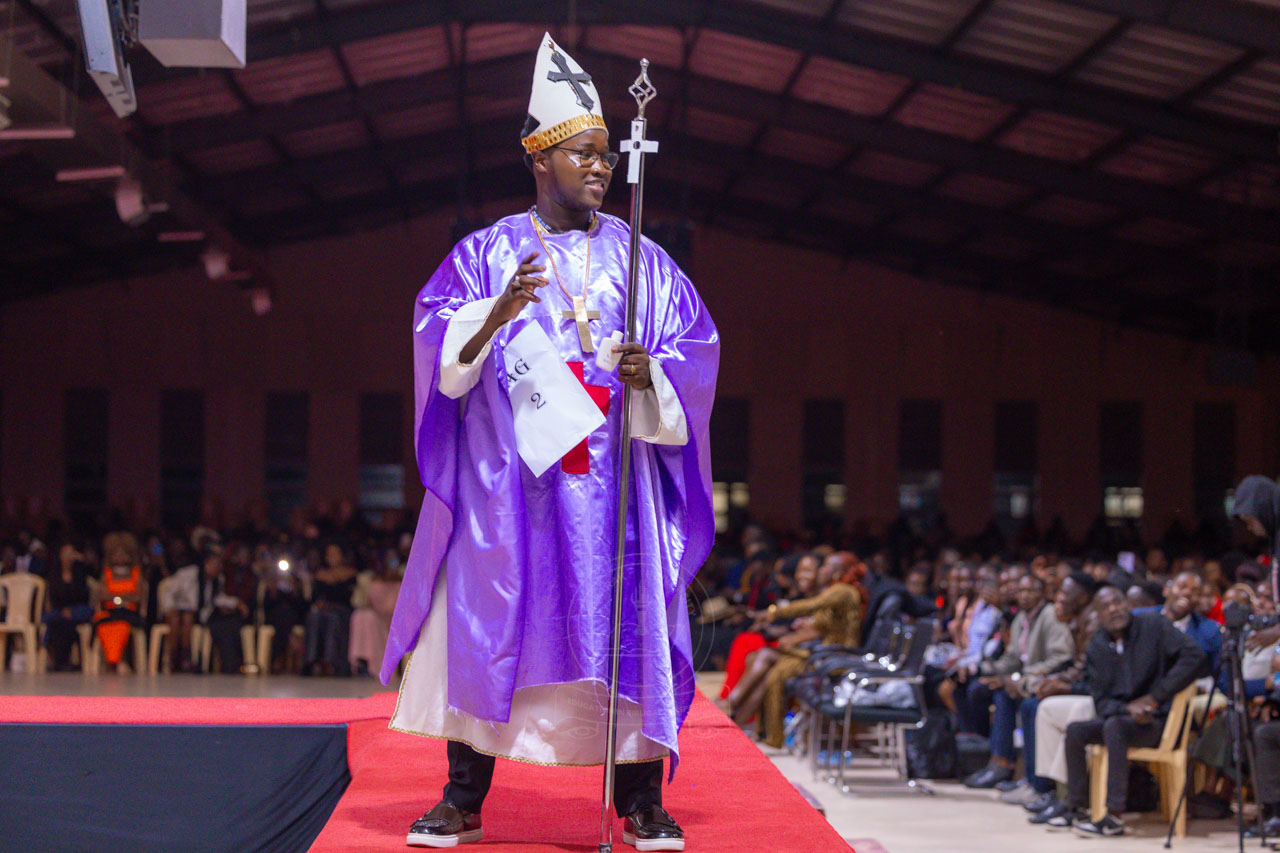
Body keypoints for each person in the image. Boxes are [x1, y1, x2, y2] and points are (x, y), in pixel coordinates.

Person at [382, 35, 717, 851]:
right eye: (582, 155)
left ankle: (639, 800)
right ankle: (463, 796)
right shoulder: (485, 254)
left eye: (606, 156)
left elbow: (695, 351)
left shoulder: (646, 263)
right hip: (512, 487)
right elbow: (440, 357)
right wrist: (493, 314)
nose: (600, 169)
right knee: (487, 619)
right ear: (539, 158)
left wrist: (651, 375)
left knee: (627, 623)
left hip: (615, 488)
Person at [1048, 586, 1206, 837]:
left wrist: (1155, 697)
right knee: (1076, 731)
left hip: (1158, 722)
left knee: (1115, 726)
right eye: (1106, 606)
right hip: (1121, 720)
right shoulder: (1097, 645)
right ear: (1097, 614)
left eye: (1118, 602)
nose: (1114, 609)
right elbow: (1101, 703)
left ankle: (1113, 817)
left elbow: (1195, 655)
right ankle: (1077, 808)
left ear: (1127, 604)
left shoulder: (1153, 625)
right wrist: (1126, 708)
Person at [964, 574, 1073, 789]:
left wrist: (1018, 678)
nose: (1024, 595)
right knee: (985, 688)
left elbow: (1060, 658)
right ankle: (997, 760)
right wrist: (983, 669)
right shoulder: (1021, 618)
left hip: (1045, 679)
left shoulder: (1049, 615)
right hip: (1025, 679)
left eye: (1030, 591)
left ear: (1042, 593)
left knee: (1014, 698)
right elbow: (1012, 658)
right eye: (1021, 591)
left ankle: (1017, 770)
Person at [1135, 569, 1222, 669]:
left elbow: (1217, 672)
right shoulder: (1139, 618)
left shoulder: (1210, 631)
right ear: (1166, 590)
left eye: (1195, 591)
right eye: (1182, 586)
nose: (1187, 593)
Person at [92, 532, 146, 673]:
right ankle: (112, 661)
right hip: (110, 612)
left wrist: (117, 598)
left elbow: (137, 597)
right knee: (106, 625)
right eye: (116, 554)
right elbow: (103, 595)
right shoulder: (107, 574)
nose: (120, 557)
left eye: (123, 554)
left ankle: (120, 660)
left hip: (129, 612)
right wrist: (123, 597)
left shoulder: (136, 574)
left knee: (122, 625)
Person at [305, 542, 357, 677]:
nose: (331, 557)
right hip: (323, 610)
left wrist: (335, 580)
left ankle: (331, 663)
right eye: (329, 555)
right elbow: (314, 597)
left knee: (333, 617)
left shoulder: (350, 574)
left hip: (342, 610)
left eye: (335, 554)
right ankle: (311, 661)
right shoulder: (320, 575)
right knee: (314, 616)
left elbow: (347, 597)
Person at [42, 541, 93, 670]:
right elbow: (53, 597)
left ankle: (64, 661)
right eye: (66, 553)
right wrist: (63, 610)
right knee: (56, 622)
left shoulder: (80, 573)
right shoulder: (54, 574)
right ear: (60, 555)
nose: (68, 557)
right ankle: (59, 661)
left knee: (70, 620)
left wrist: (82, 562)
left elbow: (83, 596)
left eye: (71, 553)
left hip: (77, 610)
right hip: (59, 611)